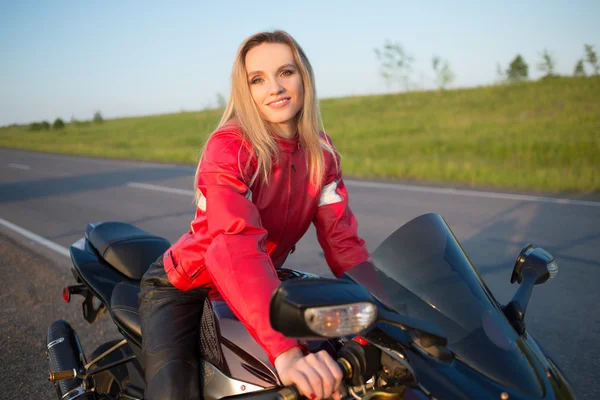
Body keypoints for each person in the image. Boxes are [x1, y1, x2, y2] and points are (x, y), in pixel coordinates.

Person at [139, 30, 372, 400]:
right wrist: (287, 353)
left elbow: (345, 245)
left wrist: (388, 312)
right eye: (258, 79)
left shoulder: (322, 154)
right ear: (245, 91)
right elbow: (233, 245)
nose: (275, 87)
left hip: (258, 276)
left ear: (304, 77)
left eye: (286, 72)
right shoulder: (229, 148)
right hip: (188, 286)